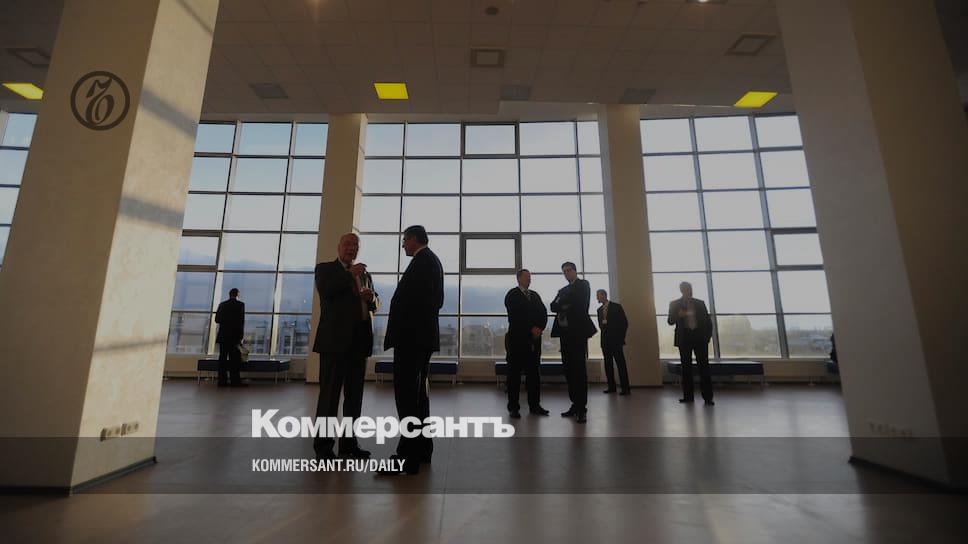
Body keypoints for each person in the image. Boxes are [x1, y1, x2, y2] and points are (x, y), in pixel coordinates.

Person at [382, 225, 444, 475]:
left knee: (407, 399)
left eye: (405, 240)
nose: (403, 244)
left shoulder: (423, 262)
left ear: (415, 238)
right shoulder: (430, 261)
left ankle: (407, 458)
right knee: (418, 399)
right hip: (420, 340)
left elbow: (418, 302)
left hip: (411, 340)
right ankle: (422, 450)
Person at [312, 233, 378, 461]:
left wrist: (371, 298)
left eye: (356, 245)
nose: (352, 248)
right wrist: (349, 275)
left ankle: (349, 445)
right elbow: (326, 290)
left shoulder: (365, 274)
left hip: (359, 344)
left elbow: (376, 304)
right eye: (348, 244)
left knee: (354, 399)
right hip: (334, 344)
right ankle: (323, 448)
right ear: (339, 247)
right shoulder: (325, 270)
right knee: (329, 398)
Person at [550, 262, 597, 424]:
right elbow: (552, 306)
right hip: (565, 334)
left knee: (579, 370)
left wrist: (562, 304)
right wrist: (564, 304)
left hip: (578, 333)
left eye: (569, 270)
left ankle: (582, 408)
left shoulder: (583, 285)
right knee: (568, 369)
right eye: (564, 271)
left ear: (575, 271)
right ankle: (574, 404)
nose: (566, 273)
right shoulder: (563, 290)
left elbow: (580, 304)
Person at [504, 269, 550, 418]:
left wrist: (540, 327)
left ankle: (535, 405)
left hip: (534, 341)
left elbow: (543, 313)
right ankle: (513, 407)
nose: (529, 279)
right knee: (514, 374)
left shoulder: (535, 295)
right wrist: (531, 328)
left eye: (530, 277)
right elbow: (515, 316)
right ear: (518, 279)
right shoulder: (512, 295)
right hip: (517, 340)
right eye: (526, 277)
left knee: (534, 374)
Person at [667, 281, 714, 405]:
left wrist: (707, 337)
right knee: (686, 368)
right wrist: (679, 315)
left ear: (690, 289)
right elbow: (670, 321)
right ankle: (688, 397)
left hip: (700, 338)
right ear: (681, 290)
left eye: (688, 288)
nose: (686, 291)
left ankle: (708, 398)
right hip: (684, 338)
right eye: (684, 288)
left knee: (704, 367)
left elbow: (708, 322)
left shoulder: (700, 303)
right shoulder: (674, 304)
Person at [596, 289, 630, 395]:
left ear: (604, 295)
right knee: (608, 364)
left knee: (620, 364)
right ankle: (611, 387)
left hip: (616, 341)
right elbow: (601, 325)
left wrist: (620, 338)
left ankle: (625, 388)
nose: (597, 298)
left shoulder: (616, 307)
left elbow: (624, 323)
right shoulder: (599, 310)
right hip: (605, 341)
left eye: (598, 295)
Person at [214, 288, 245, 387]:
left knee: (222, 359)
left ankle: (222, 381)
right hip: (234, 337)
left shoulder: (222, 305)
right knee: (234, 360)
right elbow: (241, 322)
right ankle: (235, 381)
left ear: (229, 294)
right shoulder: (240, 305)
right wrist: (241, 337)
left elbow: (217, 320)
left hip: (223, 336)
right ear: (237, 295)